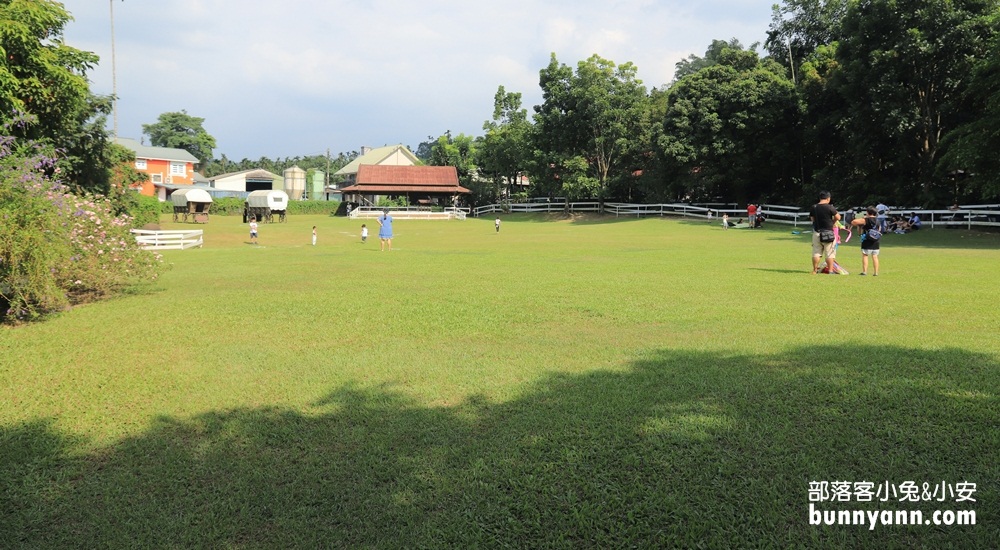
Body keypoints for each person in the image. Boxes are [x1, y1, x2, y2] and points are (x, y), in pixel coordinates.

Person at [809, 191, 840, 274]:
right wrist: (833, 222)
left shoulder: (814, 207)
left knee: (816, 252)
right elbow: (838, 217)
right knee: (829, 253)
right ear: (828, 198)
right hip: (828, 232)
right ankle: (830, 270)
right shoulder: (830, 207)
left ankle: (815, 270)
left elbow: (812, 219)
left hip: (817, 232)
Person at [851, 206, 880, 276]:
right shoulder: (877, 220)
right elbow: (879, 229)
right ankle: (876, 272)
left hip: (867, 239)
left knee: (865, 255)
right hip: (876, 240)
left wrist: (863, 218)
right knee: (875, 256)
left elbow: (853, 222)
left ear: (868, 212)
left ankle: (864, 271)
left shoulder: (866, 220)